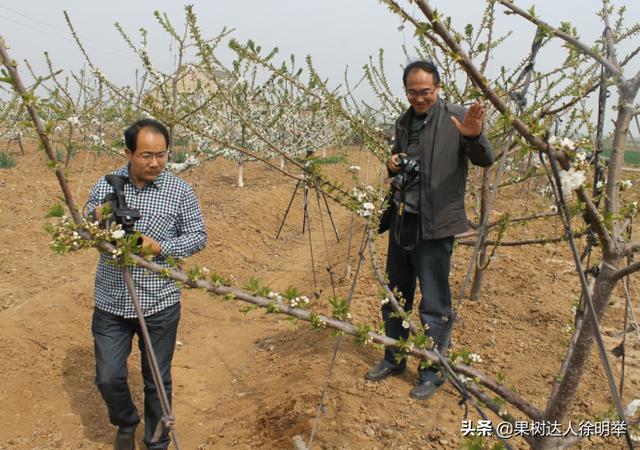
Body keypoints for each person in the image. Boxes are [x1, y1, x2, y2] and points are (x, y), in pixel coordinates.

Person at [365, 61, 494, 400]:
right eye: (412, 92)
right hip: (401, 221)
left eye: (425, 92)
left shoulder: (458, 117)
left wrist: (475, 136)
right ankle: (393, 359)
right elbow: (399, 158)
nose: (419, 98)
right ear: (405, 90)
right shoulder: (405, 120)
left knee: (434, 304)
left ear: (438, 87)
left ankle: (432, 372)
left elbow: (485, 159)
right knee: (394, 297)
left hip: (435, 227)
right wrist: (392, 162)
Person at [86, 119, 207, 450]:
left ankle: (157, 440)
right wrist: (96, 221)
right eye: (146, 155)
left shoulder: (179, 191)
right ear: (128, 153)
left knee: (157, 379)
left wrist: (159, 248)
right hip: (112, 300)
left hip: (159, 301)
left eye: (161, 154)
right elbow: (86, 226)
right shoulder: (106, 186)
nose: (154, 162)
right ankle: (126, 421)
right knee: (108, 377)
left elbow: (198, 236)